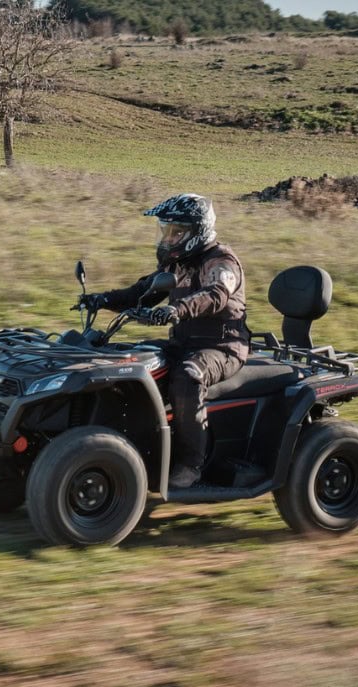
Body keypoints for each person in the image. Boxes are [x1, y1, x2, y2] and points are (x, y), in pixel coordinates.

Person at [84, 194, 248, 489]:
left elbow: (216, 295)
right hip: (184, 343)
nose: (168, 238)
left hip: (223, 347)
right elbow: (141, 291)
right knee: (130, 360)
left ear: (198, 231)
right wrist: (101, 299)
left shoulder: (221, 262)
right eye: (166, 231)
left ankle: (190, 464)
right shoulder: (178, 264)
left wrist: (176, 310)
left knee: (188, 376)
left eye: (177, 232)